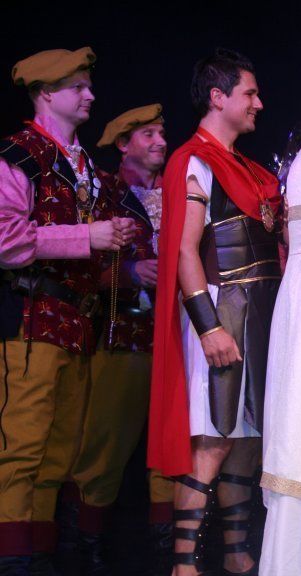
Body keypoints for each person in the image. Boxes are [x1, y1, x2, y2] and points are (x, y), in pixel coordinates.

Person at [0, 47, 135, 574]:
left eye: (88, 85)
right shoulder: (19, 154)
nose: (90, 95)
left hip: (78, 322)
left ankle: (38, 553)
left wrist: (114, 243)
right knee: (21, 446)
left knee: (60, 451)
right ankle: (13, 559)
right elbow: (6, 240)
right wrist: (88, 236)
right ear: (45, 93)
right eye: (77, 86)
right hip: (32, 316)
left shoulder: (88, 171)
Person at [148, 48, 282, 576]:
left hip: (257, 317)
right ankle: (184, 564)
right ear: (218, 96)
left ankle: (235, 551)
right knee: (211, 440)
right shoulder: (195, 161)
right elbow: (185, 252)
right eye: (250, 93)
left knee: (245, 442)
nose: (258, 103)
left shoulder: (246, 168)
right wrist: (209, 328)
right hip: (220, 311)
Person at [55, 104, 175, 575]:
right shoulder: (103, 190)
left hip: (176, 335)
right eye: (148, 135)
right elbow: (80, 264)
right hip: (123, 332)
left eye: (162, 133)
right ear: (124, 144)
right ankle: (83, 542)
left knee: (172, 443)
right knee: (104, 441)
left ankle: (169, 545)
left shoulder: (180, 191)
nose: (160, 142)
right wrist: (129, 273)